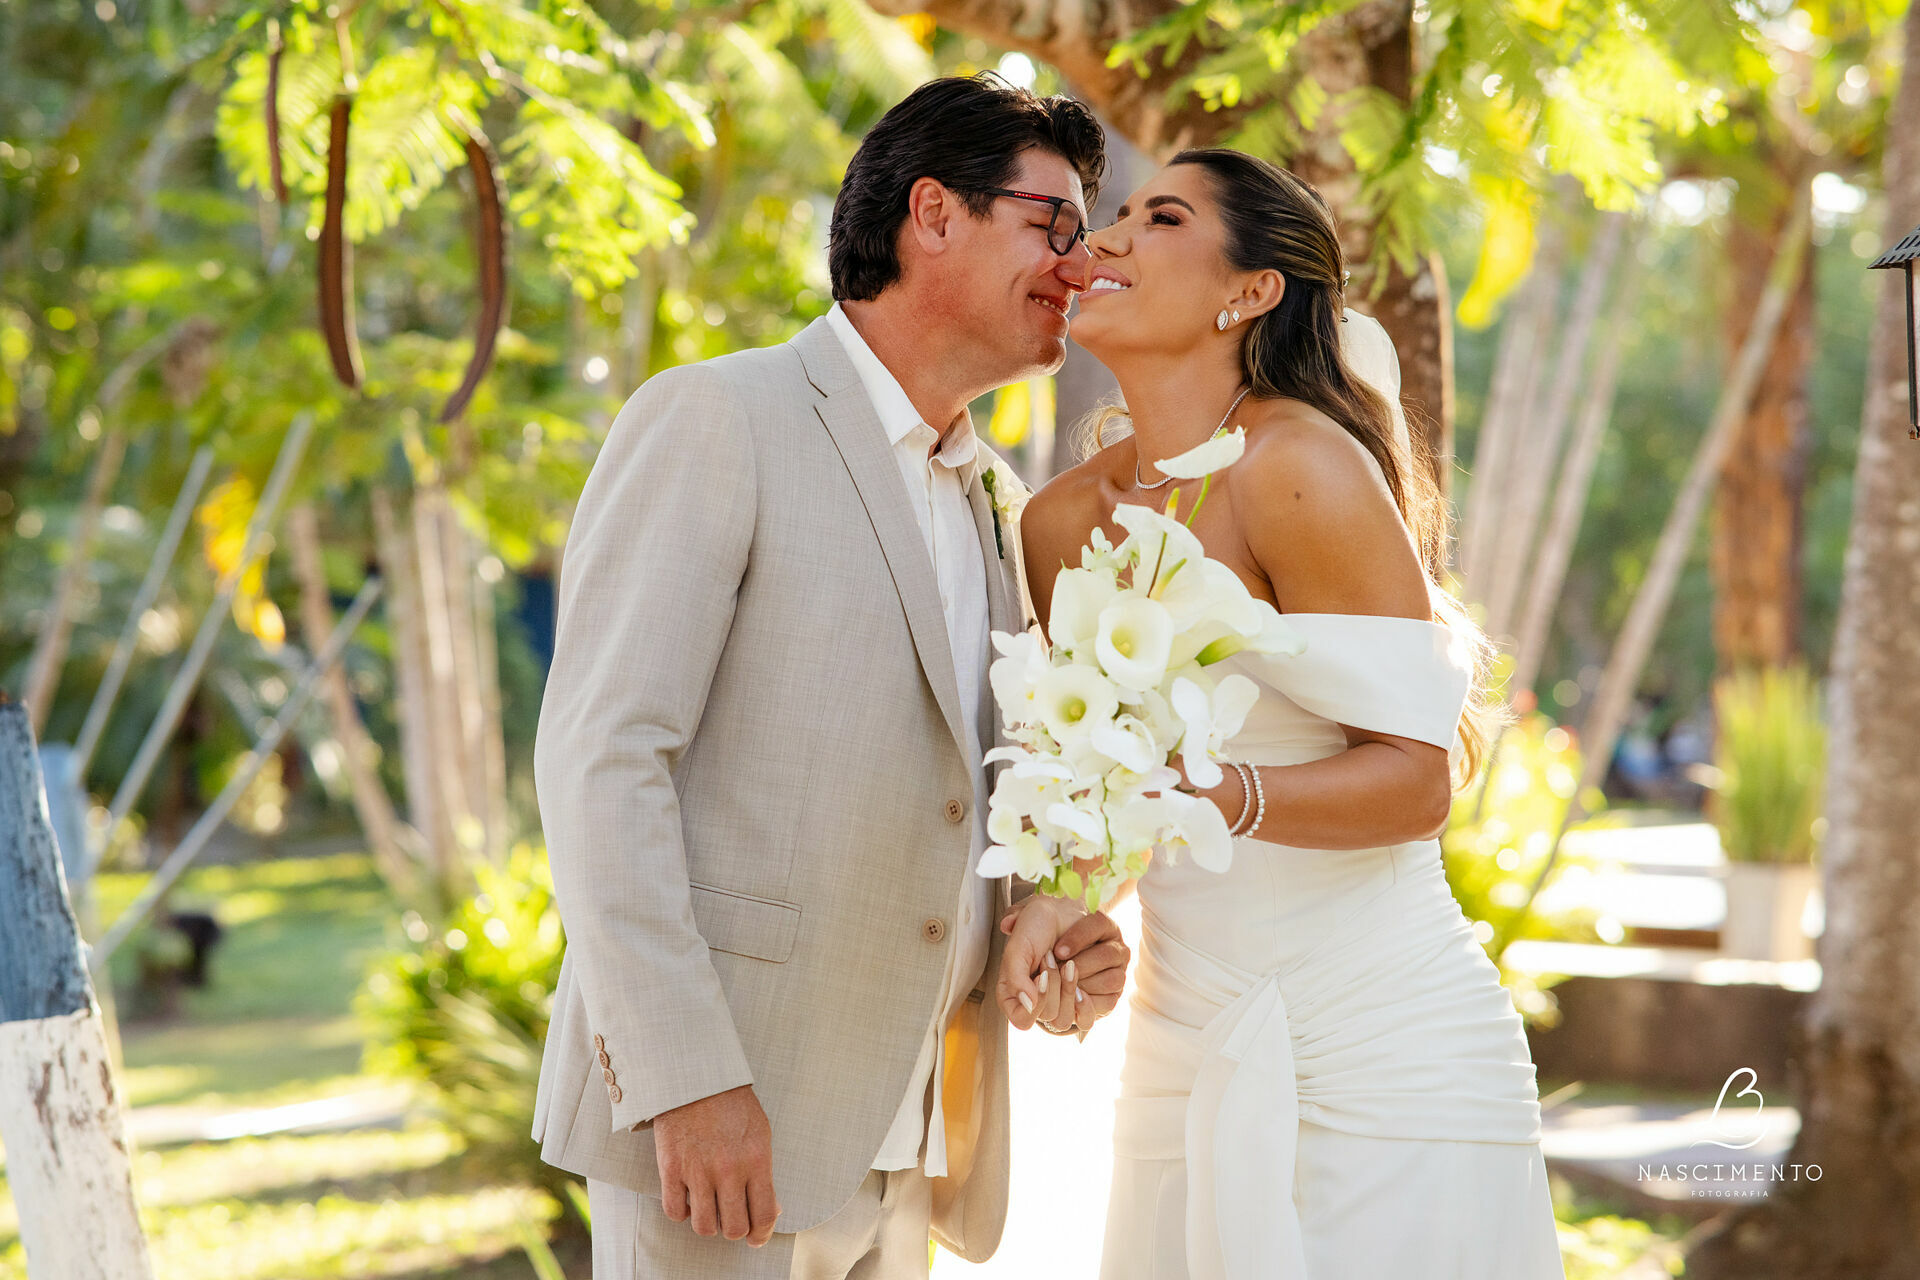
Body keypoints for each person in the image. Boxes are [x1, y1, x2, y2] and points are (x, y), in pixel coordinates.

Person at [530, 73, 1131, 1279]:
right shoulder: (717, 415)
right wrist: (685, 1078)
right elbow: (601, 760)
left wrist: (1043, 914)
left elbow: (963, 788)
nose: (1081, 264)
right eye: (1054, 223)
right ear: (934, 213)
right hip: (721, 1134)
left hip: (911, 1140)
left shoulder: (996, 500)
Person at [1018, 148, 1566, 1279]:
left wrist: (1227, 794)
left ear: (1251, 290)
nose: (1106, 238)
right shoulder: (1057, 522)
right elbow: (1111, 793)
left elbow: (1416, 782)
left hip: (1381, 1046)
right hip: (1179, 1039)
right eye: (1115, 215)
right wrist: (1065, 906)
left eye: (1161, 218)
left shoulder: (1297, 465)